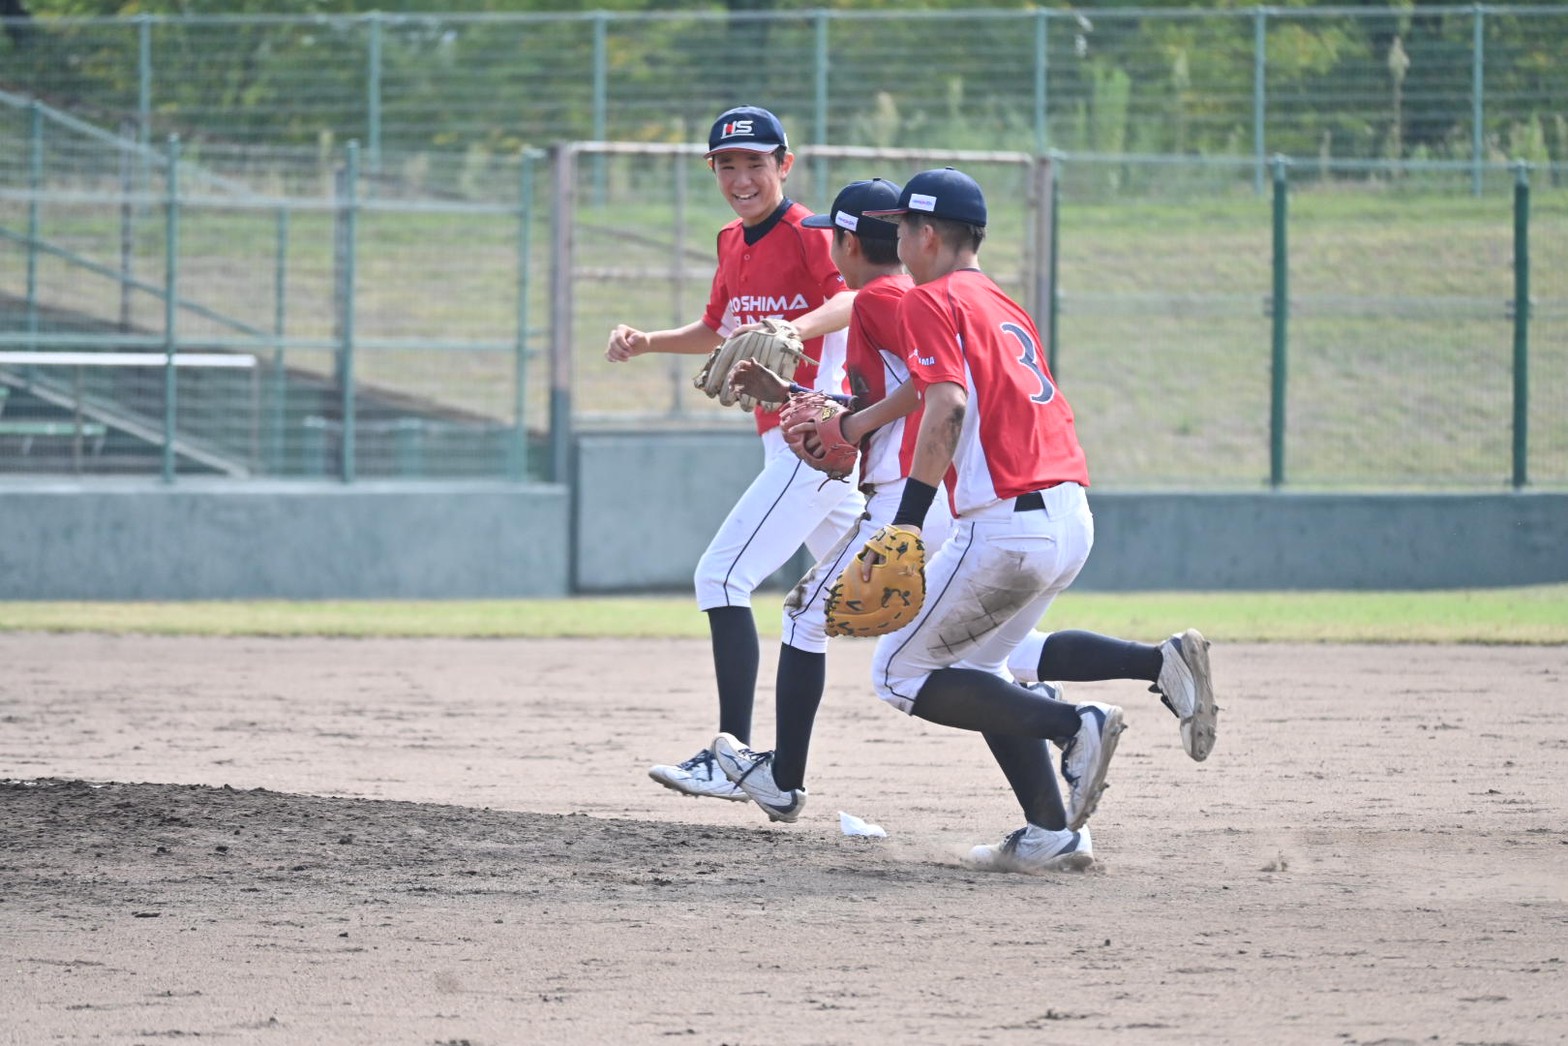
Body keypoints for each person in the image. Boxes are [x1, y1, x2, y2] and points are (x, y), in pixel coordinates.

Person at [713, 179, 1219, 831]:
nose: (894, 244)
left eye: (902, 231)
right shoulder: (999, 302)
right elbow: (922, 397)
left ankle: (1075, 724)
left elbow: (941, 404)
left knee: (898, 673)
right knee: (985, 667)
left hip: (1002, 521)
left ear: (926, 235)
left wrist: (907, 521)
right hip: (1067, 513)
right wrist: (830, 412)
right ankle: (1050, 832)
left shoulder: (923, 299)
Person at [604, 105, 865, 802]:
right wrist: (650, 341)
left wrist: (795, 325)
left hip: (816, 442)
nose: (742, 177)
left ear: (786, 164)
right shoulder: (731, 240)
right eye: (728, 164)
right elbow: (718, 327)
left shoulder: (813, 234)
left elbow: (859, 300)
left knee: (721, 578)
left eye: (757, 163)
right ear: (712, 170)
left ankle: (731, 755)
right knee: (918, 599)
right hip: (789, 449)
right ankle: (1043, 685)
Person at [710, 176, 955, 822]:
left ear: (848, 244)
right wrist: (787, 391)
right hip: (932, 496)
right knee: (968, 634)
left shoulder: (879, 300)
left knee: (799, 615)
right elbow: (887, 397)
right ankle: (1065, 714)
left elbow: (932, 389)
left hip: (910, 494)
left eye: (834, 240)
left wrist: (848, 428)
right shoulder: (900, 295)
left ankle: (782, 781)